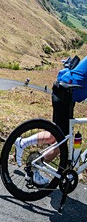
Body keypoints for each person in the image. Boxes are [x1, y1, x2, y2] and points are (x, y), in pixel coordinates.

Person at [15, 56, 87, 185]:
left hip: (66, 94)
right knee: (60, 139)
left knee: (57, 137)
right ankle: (32, 163)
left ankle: (25, 147)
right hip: (65, 94)